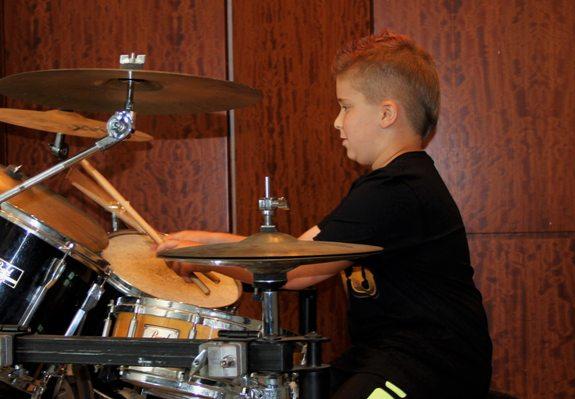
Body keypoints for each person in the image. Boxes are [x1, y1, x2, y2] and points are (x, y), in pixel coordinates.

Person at [157, 31, 492, 399]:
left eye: (345, 106)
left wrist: (202, 258)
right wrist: (206, 242)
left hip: (432, 365)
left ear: (386, 113)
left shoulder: (398, 189)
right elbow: (302, 249)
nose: (336, 122)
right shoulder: (390, 184)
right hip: (383, 355)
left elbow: (296, 270)